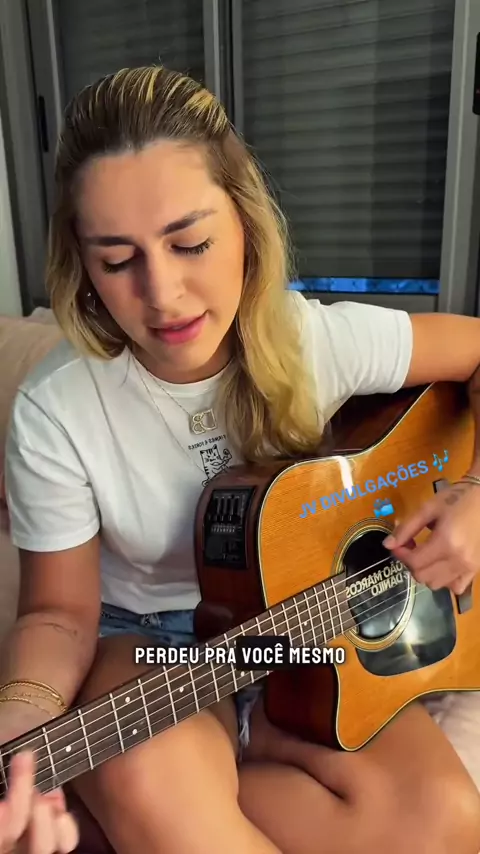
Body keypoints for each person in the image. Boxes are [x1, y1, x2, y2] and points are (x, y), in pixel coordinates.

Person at [1, 64, 480, 854]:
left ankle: (168, 801)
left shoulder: (315, 341)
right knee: (154, 774)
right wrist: (22, 721)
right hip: (153, 645)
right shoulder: (58, 407)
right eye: (117, 261)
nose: (163, 293)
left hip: (303, 628)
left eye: (190, 243)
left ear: (246, 222)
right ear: (80, 265)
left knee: (446, 819)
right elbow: (58, 613)